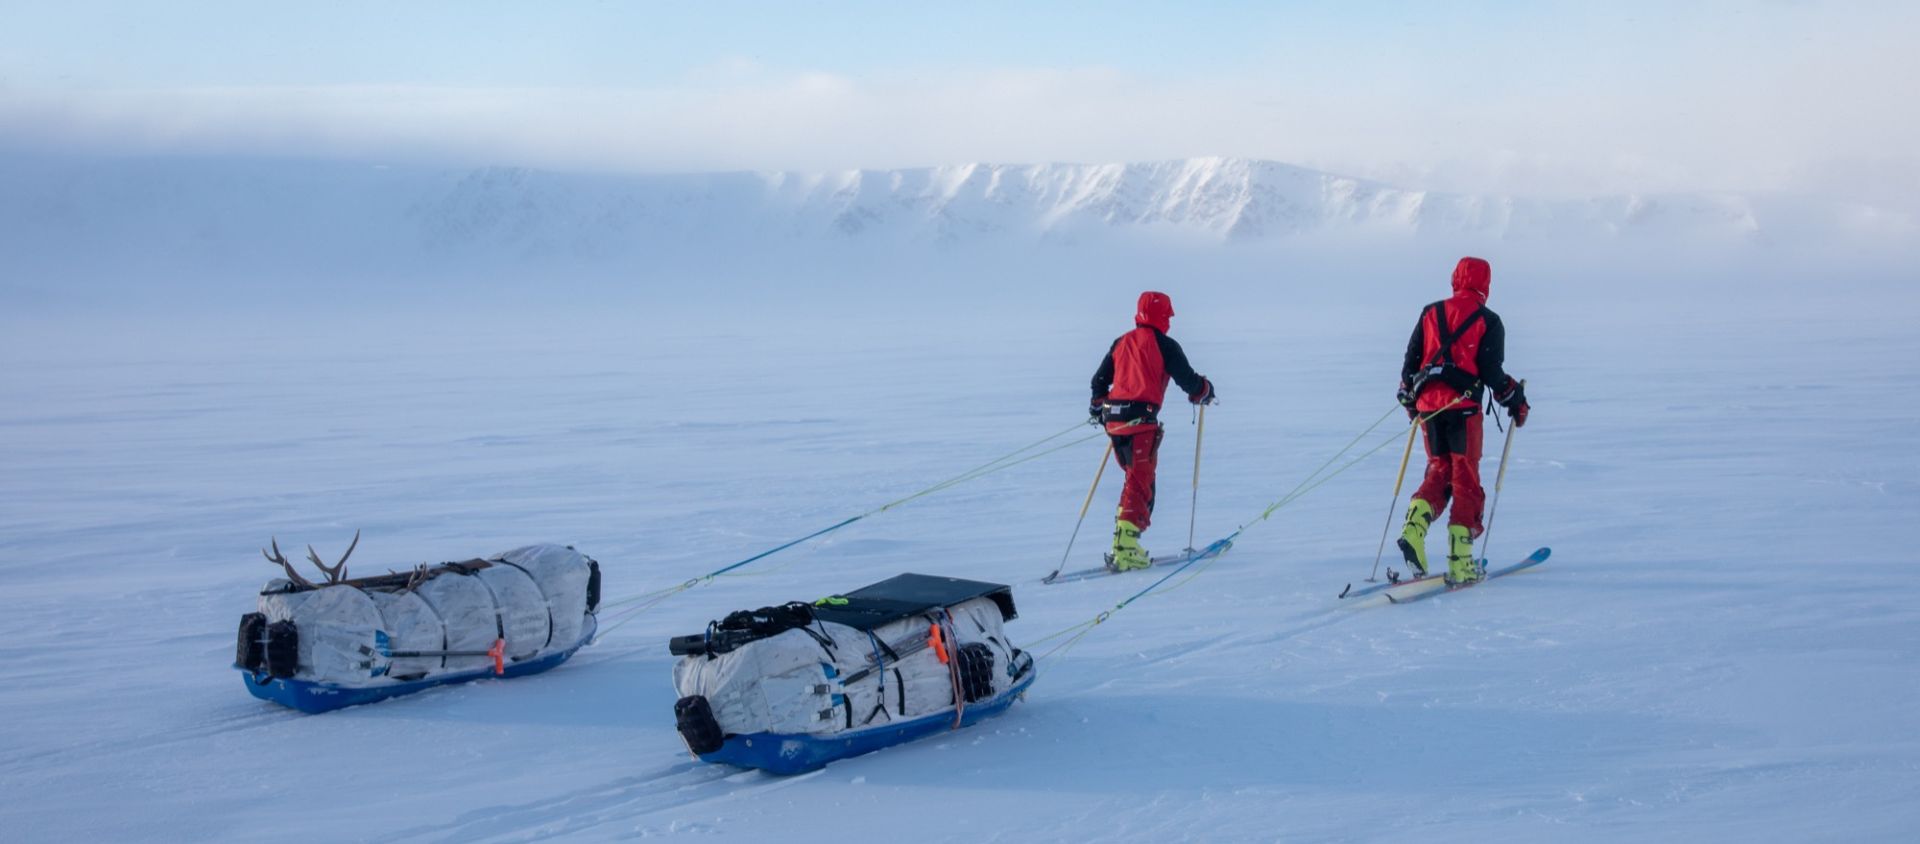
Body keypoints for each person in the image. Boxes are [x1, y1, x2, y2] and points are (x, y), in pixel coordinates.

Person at [1395, 257, 1530, 585]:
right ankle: (1461, 562)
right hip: (1463, 408)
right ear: (1486, 285)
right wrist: (1516, 400)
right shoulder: (1489, 320)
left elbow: (1410, 364)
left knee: (1439, 470)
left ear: (1455, 279)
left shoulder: (1430, 312)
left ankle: (1414, 529)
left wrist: (1410, 400)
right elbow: (1491, 373)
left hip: (1428, 406)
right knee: (1465, 477)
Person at [1090, 291, 1216, 571]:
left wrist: (1098, 406)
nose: (1169, 321)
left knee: (1134, 480)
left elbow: (1098, 381)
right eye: (1168, 316)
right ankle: (1126, 549)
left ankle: (1123, 540)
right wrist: (1204, 391)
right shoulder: (1165, 345)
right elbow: (1189, 381)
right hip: (1139, 420)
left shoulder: (1121, 342)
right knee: (1140, 481)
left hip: (1114, 421)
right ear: (1162, 316)